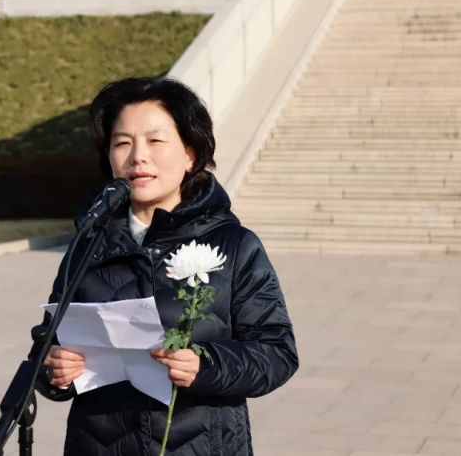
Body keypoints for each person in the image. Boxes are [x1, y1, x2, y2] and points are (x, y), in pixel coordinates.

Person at [34, 76, 298, 456]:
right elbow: (47, 347)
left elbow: (277, 353)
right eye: (122, 143)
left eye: (155, 141)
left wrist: (206, 365)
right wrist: (54, 371)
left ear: (190, 154)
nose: (138, 156)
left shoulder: (236, 245)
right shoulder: (87, 244)